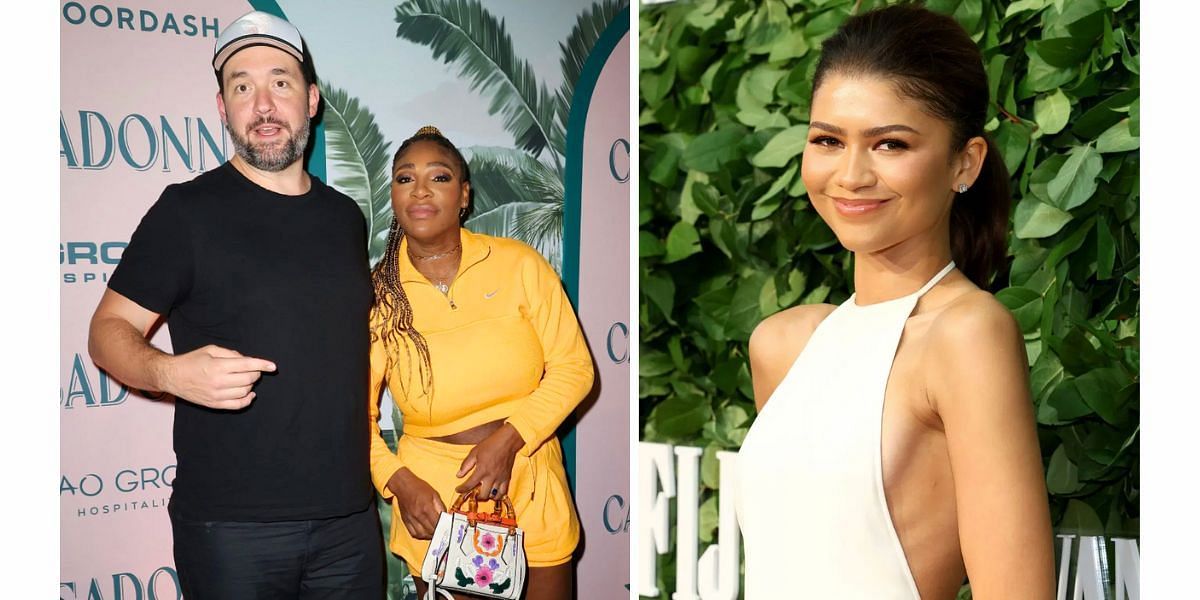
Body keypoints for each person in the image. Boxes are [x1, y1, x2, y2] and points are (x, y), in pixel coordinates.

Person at [733, 5, 1055, 599]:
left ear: (966, 162)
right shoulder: (782, 345)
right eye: (828, 140)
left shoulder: (966, 336)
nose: (851, 175)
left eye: (890, 144)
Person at [87, 11, 382, 599]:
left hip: (349, 520)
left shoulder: (345, 217)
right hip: (231, 529)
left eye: (281, 81)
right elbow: (107, 330)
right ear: (222, 108)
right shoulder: (186, 212)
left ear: (313, 99)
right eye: (242, 86)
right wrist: (168, 372)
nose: (264, 104)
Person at [367, 126, 594, 599]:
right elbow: (352, 415)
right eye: (405, 179)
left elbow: (574, 368)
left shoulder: (519, 264)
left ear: (464, 195)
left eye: (440, 177)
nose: (422, 190)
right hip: (437, 503)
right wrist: (398, 482)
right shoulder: (377, 294)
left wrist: (508, 441)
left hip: (531, 477)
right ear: (393, 195)